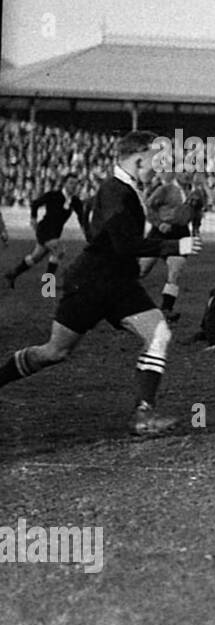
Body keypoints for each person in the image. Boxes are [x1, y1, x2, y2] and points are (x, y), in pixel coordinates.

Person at [0, 131, 202, 436]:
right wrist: (175, 246)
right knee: (55, 352)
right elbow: (123, 244)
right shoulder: (115, 190)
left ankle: (143, 413)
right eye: (157, 160)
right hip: (91, 283)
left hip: (119, 282)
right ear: (139, 159)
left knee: (159, 331)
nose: (161, 167)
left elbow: (107, 238)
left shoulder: (127, 189)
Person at [4, 175, 88, 290]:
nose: (73, 186)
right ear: (65, 184)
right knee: (58, 250)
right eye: (71, 183)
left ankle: (13, 274)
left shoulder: (75, 201)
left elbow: (81, 218)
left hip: (55, 233)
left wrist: (86, 232)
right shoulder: (53, 195)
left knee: (36, 257)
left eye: (75, 184)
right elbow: (35, 203)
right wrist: (33, 218)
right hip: (44, 230)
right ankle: (48, 285)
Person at [139, 171, 191, 320]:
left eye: (191, 172)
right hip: (159, 234)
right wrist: (159, 223)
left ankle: (167, 309)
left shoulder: (193, 191)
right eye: (185, 171)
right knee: (141, 270)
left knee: (175, 272)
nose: (188, 175)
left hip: (181, 235)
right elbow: (148, 207)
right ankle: (118, 300)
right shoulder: (165, 189)